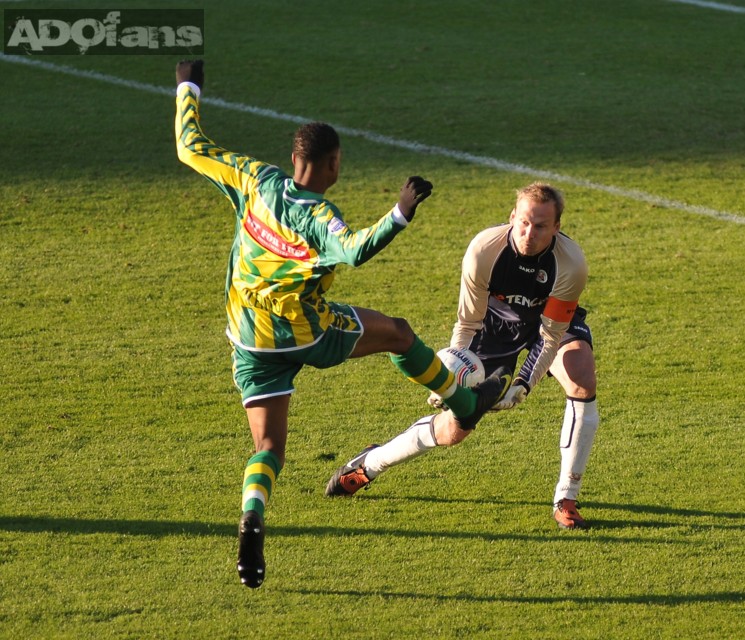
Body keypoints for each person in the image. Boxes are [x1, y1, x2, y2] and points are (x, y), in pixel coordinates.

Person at [173, 60, 512, 588]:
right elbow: (354, 251)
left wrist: (187, 88)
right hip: (308, 332)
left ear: (293, 158)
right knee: (397, 333)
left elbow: (190, 147)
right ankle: (467, 402)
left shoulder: (254, 178)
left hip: (248, 338)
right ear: (333, 164)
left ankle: (253, 514)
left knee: (267, 449)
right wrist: (399, 212)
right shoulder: (319, 217)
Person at [325, 182, 599, 530]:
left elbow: (550, 335)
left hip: (546, 326)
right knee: (456, 431)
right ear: (513, 216)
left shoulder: (571, 264)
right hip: (492, 333)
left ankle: (566, 498)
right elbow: (467, 324)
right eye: (525, 222)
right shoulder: (484, 250)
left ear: (557, 227)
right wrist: (447, 379)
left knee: (580, 375)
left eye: (542, 226)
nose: (530, 232)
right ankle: (371, 463)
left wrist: (523, 384)